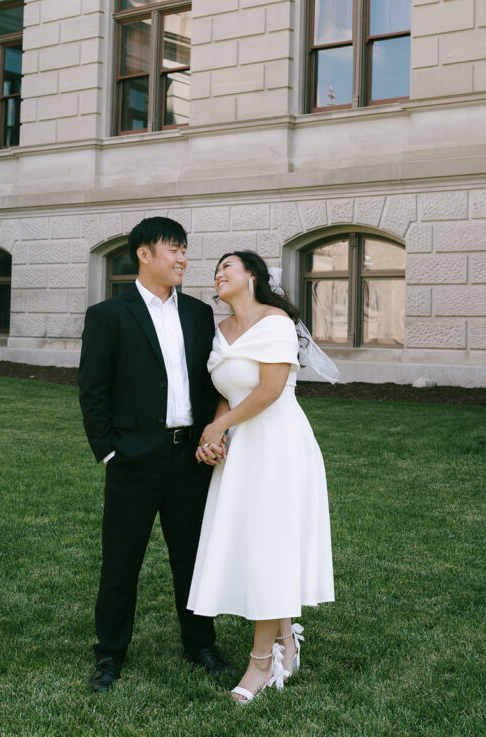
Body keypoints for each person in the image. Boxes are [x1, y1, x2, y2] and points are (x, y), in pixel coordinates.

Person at [78, 217, 230, 693]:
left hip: (189, 459)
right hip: (133, 460)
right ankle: (110, 654)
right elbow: (93, 391)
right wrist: (108, 453)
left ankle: (199, 643)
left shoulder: (199, 314)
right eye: (173, 250)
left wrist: (210, 436)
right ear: (144, 255)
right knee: (121, 562)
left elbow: (209, 385)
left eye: (185, 249)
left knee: (193, 558)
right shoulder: (108, 316)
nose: (183, 258)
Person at [187, 250, 336, 703]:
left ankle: (261, 662)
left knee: (270, 544)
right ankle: (287, 638)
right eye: (216, 270)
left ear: (251, 276)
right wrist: (214, 439)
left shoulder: (274, 322)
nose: (218, 273)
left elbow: (270, 390)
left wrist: (218, 427)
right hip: (241, 450)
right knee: (256, 544)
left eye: (227, 266)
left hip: (278, 445)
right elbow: (227, 393)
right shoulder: (221, 332)